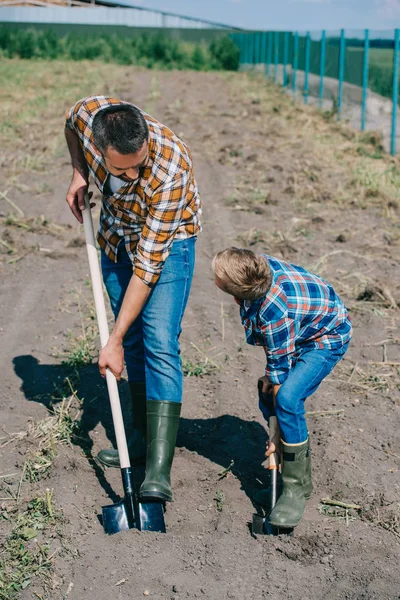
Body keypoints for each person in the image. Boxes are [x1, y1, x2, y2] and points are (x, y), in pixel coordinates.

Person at [64, 95, 201, 502]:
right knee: (138, 341)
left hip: (166, 246)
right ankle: (139, 439)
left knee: (158, 339)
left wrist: (113, 339)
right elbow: (70, 121)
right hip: (114, 237)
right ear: (100, 147)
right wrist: (78, 172)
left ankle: (158, 469)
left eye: (139, 163)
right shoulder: (91, 117)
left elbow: (148, 266)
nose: (135, 171)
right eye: (123, 168)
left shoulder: (170, 169)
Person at [212, 247, 352, 528]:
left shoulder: (273, 310)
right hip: (299, 330)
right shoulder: (256, 270)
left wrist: (276, 437)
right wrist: (272, 374)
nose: (212, 272)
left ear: (234, 290)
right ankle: (301, 480)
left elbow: (276, 335)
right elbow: (275, 348)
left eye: (218, 274)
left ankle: (295, 490)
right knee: (268, 393)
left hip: (326, 338)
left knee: (287, 399)